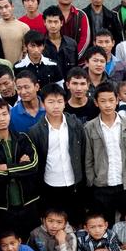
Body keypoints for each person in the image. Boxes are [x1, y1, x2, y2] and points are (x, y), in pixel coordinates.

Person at [0, 99, 40, 239]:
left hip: (29, 202)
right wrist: (21, 166)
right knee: (7, 244)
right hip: (2, 207)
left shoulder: (22, 138)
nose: (1, 118)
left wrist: (6, 168)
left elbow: (34, 165)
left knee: (33, 242)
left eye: (4, 114)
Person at [26, 84, 86, 226]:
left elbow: (83, 150)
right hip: (50, 184)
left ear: (65, 103)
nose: (56, 106)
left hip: (74, 182)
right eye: (51, 102)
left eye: (59, 101)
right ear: (43, 104)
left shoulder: (75, 125)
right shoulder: (35, 131)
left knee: (76, 222)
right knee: (55, 224)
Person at [84, 82, 126, 222]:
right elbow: (88, 158)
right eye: (103, 101)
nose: (108, 105)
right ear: (96, 103)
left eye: (111, 100)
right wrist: (92, 180)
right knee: (106, 223)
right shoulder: (90, 127)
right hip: (102, 185)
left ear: (117, 100)